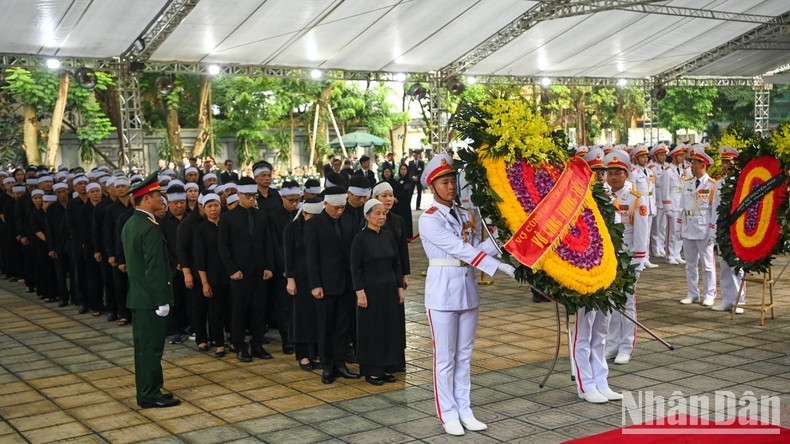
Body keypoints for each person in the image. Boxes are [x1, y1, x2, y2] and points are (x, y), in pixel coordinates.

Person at [418, 153, 515, 436]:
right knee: (445, 358)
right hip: (442, 291)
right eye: (444, 182)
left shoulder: (465, 214)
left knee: (464, 355)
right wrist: (498, 267)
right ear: (432, 187)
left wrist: (503, 237)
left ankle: (465, 408)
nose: (451, 186)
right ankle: (447, 412)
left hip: (467, 290)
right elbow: (459, 250)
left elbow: (476, 249)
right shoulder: (429, 219)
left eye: (452, 181)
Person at [121, 172, 180, 409]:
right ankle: (148, 394)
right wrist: (162, 299)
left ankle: (153, 388)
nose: (161, 199)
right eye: (157, 195)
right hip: (150, 299)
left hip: (140, 297)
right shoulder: (149, 227)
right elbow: (154, 268)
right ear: (146, 198)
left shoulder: (132, 223)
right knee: (150, 349)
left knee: (148, 348)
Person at [573, 147, 624, 404]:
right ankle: (585, 383)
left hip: (607, 269)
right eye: (595, 172)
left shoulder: (607, 197)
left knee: (601, 330)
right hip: (585, 271)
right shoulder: (575, 201)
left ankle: (601, 380)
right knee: (584, 332)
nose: (601, 177)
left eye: (602, 172)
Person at [304, 186, 360, 384]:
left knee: (342, 327)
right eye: (335, 208)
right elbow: (311, 257)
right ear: (326, 204)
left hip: (346, 283)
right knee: (326, 327)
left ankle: (341, 363)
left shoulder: (348, 220)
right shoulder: (314, 224)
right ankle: (327, 366)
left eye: (342, 208)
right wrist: (315, 284)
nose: (339, 211)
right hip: (325, 285)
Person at [218, 177, 275, 362]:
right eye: (248, 196)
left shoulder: (262, 216)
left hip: (259, 270)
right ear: (239, 194)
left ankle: (257, 344)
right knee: (239, 310)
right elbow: (223, 247)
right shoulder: (228, 218)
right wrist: (232, 269)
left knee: (259, 309)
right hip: (240, 272)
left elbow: (268, 243)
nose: (252, 199)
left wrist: (269, 266)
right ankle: (240, 345)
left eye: (254, 196)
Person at [350, 198, 405, 385]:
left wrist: (400, 287)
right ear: (367, 216)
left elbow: (396, 263)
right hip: (370, 290)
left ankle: (387, 367)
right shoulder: (360, 238)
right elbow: (355, 267)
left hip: (389, 288)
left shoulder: (389, 235)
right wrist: (360, 291)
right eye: (377, 213)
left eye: (384, 213)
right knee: (372, 329)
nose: (382, 217)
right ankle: (372, 370)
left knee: (389, 328)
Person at [605, 150, 648, 365]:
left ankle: (626, 346)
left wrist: (637, 262)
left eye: (617, 173)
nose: (613, 177)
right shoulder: (603, 197)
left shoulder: (635, 200)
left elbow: (640, 234)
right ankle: (612, 343)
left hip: (628, 258)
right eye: (610, 173)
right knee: (612, 302)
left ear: (626, 174)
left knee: (627, 303)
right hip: (609, 259)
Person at [372, 181, 409, 370]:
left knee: (397, 317)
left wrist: (404, 274)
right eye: (384, 196)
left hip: (395, 274)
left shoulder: (398, 220)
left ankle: (397, 357)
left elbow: (403, 250)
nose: (388, 199)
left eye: (390, 195)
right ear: (375, 198)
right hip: (378, 276)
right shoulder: (370, 221)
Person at [285, 198, 323, 371]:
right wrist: (290, 279)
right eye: (311, 216)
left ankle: (315, 351)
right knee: (301, 316)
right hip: (299, 278)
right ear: (304, 213)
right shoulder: (292, 229)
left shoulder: (319, 228)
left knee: (316, 316)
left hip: (316, 277)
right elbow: (288, 256)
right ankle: (303, 354)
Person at [678, 145, 718, 307]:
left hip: (703, 229)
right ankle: (693, 293)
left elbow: (714, 210)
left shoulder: (711, 185)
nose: (691, 166)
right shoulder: (687, 183)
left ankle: (710, 294)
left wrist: (712, 230)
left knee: (707, 265)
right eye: (691, 162)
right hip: (688, 228)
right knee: (690, 265)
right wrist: (678, 228)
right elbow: (682, 207)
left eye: (694, 163)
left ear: (703, 165)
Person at [194, 193, 230, 357]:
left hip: (231, 273)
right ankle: (219, 343)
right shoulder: (201, 230)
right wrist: (204, 282)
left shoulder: (227, 224)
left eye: (216, 205)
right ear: (204, 209)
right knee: (215, 311)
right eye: (209, 206)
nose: (213, 209)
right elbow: (200, 259)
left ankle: (233, 339)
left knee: (232, 309)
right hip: (213, 276)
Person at [268, 180, 301, 354]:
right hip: (283, 268)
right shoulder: (274, 217)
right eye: (291, 200)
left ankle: (299, 338)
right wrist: (286, 267)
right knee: (284, 306)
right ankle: (286, 339)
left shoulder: (302, 215)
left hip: (301, 267)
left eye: (297, 200)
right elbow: (275, 245)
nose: (294, 204)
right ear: (282, 198)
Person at [712, 145, 745, 314]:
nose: (726, 165)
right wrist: (712, 229)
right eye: (724, 162)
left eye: (729, 162)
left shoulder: (741, 182)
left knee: (736, 265)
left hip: (737, 229)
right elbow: (714, 207)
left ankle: (740, 300)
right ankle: (727, 299)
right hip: (722, 228)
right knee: (724, 265)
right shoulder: (718, 183)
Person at [630, 145, 657, 269]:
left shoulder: (650, 171)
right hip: (640, 204)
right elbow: (633, 190)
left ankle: (646, 257)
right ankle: (640, 257)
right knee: (641, 232)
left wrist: (654, 204)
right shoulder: (634, 173)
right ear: (636, 158)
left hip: (649, 202)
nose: (645, 159)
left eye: (646, 157)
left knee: (648, 232)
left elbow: (653, 190)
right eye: (642, 157)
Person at [662, 144, 687, 265]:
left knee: (680, 230)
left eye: (683, 155)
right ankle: (670, 254)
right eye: (680, 155)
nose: (683, 158)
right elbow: (665, 190)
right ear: (674, 156)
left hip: (681, 202)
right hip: (672, 202)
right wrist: (667, 207)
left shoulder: (681, 170)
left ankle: (677, 253)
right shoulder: (667, 171)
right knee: (671, 231)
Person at [649, 144, 670, 259]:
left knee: (663, 226)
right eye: (661, 155)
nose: (664, 157)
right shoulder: (652, 168)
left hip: (665, 199)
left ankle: (661, 247)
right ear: (655, 156)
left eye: (664, 155)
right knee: (655, 226)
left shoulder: (667, 167)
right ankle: (654, 248)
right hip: (656, 198)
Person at [394, 164, 414, 238]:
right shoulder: (400, 179)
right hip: (398, 203)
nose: (403, 171)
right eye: (401, 169)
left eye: (404, 169)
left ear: (407, 170)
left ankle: (407, 236)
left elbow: (406, 191)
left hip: (404, 203)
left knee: (405, 219)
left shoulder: (408, 180)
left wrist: (398, 198)